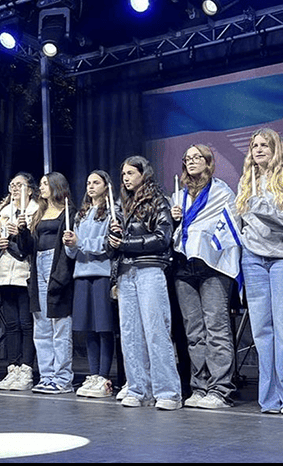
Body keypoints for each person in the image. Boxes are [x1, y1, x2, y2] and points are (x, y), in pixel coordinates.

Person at [235, 129, 283, 415]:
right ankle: (270, 400)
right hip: (252, 259)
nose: (258, 149)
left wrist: (260, 207)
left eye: (264, 145)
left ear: (276, 148)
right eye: (254, 145)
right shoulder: (246, 182)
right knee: (262, 332)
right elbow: (239, 220)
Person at [169, 145, 241, 409]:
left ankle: (220, 389)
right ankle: (199, 387)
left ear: (209, 162)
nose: (191, 162)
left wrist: (205, 236)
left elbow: (231, 226)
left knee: (217, 329)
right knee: (194, 332)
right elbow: (173, 233)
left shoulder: (222, 192)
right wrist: (174, 219)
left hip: (213, 265)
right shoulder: (178, 196)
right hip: (184, 266)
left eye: (197, 157)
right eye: (187, 158)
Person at [108, 156, 183, 411]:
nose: (126, 178)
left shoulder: (158, 201)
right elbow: (112, 247)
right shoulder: (122, 206)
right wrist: (114, 238)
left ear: (144, 173)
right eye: (123, 174)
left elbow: (163, 238)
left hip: (150, 269)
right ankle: (138, 388)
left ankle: (169, 392)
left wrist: (125, 244)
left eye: (130, 173)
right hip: (126, 272)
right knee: (130, 334)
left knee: (156, 331)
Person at [22, 172, 76, 394]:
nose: (41, 187)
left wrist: (59, 277)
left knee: (60, 326)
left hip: (57, 267)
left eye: (45, 184)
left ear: (56, 186)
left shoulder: (69, 212)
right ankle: (46, 375)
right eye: (41, 183)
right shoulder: (38, 212)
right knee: (41, 326)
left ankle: (63, 378)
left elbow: (68, 249)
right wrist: (22, 232)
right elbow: (27, 249)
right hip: (38, 268)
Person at [64, 170, 116, 398]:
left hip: (102, 274)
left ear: (106, 186)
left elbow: (107, 244)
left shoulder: (112, 212)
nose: (91, 186)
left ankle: (104, 376)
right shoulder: (81, 214)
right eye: (88, 183)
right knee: (88, 329)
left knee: (104, 327)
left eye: (96, 182)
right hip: (82, 274)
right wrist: (70, 244)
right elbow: (72, 251)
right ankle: (93, 374)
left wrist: (80, 242)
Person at [0, 173, 40, 392]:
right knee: (11, 324)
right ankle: (12, 366)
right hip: (5, 274)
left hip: (24, 273)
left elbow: (28, 249)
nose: (14, 189)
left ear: (29, 190)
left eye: (19, 185)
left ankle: (26, 368)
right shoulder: (3, 213)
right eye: (11, 185)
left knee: (26, 323)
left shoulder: (35, 211)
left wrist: (18, 235)